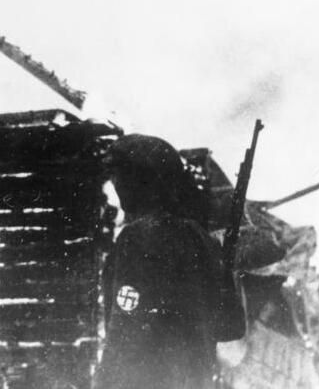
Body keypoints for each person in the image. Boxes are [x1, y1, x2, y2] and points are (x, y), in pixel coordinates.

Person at [95, 134, 245, 389]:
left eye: (118, 177)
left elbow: (126, 331)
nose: (114, 186)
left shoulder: (137, 236)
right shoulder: (200, 238)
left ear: (137, 182)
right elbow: (231, 329)